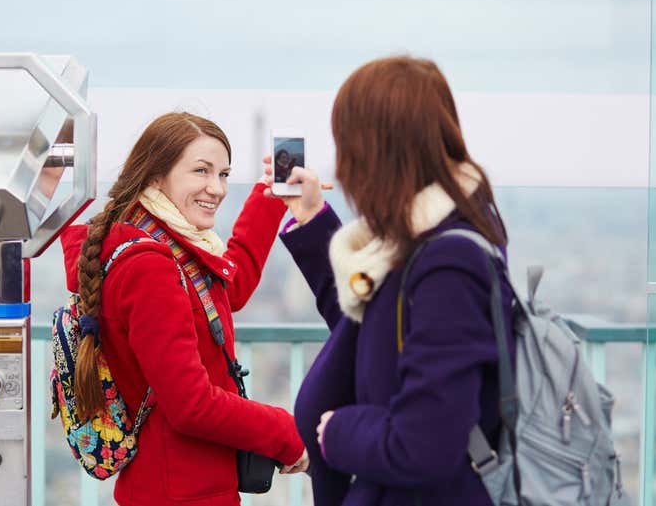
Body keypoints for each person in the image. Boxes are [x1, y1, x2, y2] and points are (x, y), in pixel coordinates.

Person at [264, 56, 515, 505]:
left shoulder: (449, 266)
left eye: (347, 145)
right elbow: (363, 327)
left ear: (376, 151)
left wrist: (337, 430)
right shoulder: (418, 245)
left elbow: (427, 443)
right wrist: (310, 219)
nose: (341, 167)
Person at [60, 112, 308, 506]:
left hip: (175, 484)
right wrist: (288, 434)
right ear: (156, 176)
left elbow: (226, 291)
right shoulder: (151, 265)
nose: (217, 188)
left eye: (224, 174)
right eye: (201, 171)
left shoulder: (156, 243)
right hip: (182, 491)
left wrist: (269, 196)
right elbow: (190, 405)